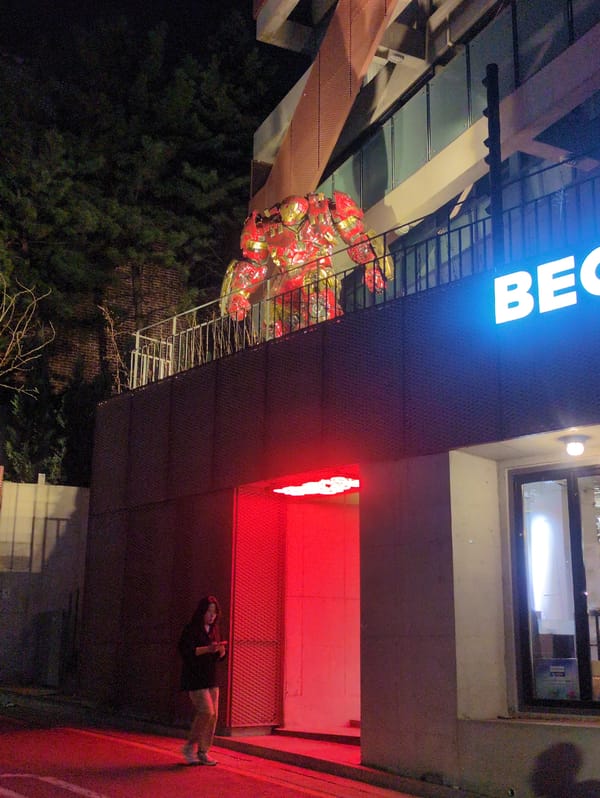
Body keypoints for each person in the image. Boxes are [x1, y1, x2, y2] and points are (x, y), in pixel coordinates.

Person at [178, 595, 227, 765]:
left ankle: (203, 751)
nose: (212, 615)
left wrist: (221, 652)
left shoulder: (214, 630)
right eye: (209, 611)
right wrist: (208, 649)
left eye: (214, 612)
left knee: (213, 716)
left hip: (211, 677)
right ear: (202, 612)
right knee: (207, 711)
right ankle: (189, 746)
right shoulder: (191, 629)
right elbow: (186, 651)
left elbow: (215, 657)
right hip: (195, 678)